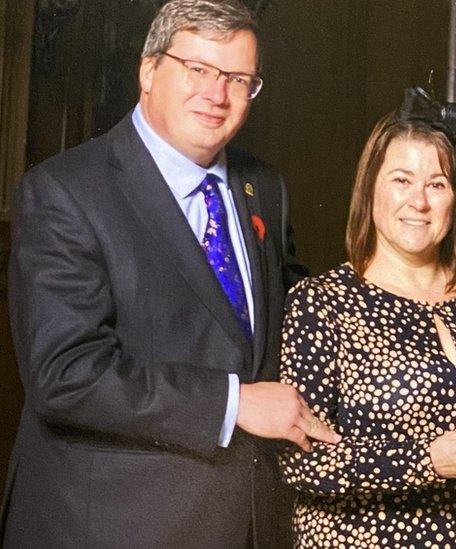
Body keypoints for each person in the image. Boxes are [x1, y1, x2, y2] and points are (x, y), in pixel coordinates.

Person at [0, 1, 338, 547]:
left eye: (238, 78)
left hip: (246, 522)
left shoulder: (265, 187)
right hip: (112, 525)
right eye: (198, 70)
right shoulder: (65, 191)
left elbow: (293, 322)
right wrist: (236, 402)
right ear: (149, 70)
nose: (217, 93)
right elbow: (66, 375)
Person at [277, 87, 456, 547]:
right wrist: (424, 462)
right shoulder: (321, 303)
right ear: (370, 187)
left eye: (436, 184)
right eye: (401, 179)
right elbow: (299, 461)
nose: (418, 201)